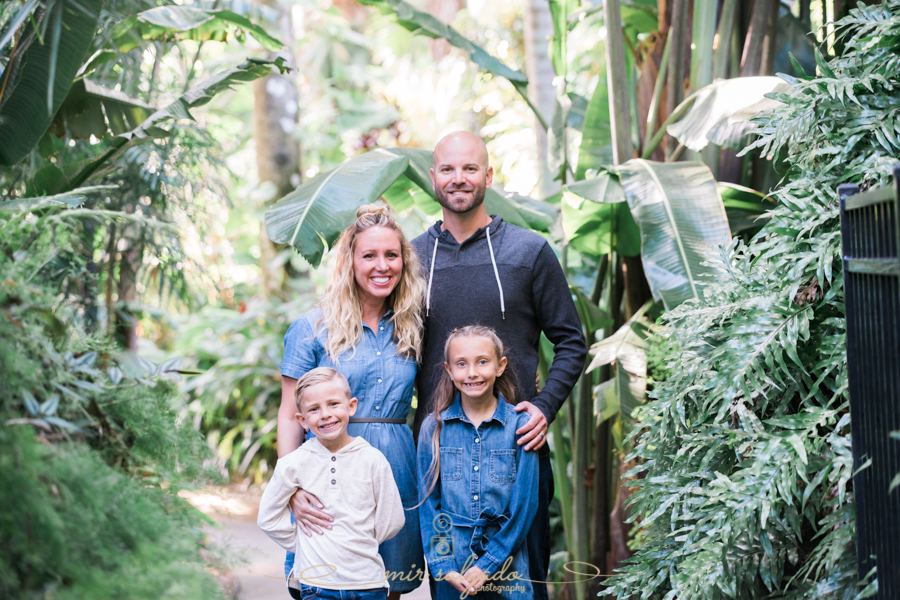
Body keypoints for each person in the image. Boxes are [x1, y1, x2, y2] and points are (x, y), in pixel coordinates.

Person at [412, 131, 587, 598]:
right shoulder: (410, 259)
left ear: (489, 176)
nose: (458, 178)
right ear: (433, 178)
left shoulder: (528, 252)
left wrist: (544, 406)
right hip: (440, 453)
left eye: (470, 168)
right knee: (450, 586)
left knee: (524, 585)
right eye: (447, 169)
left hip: (517, 448)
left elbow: (571, 341)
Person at [277, 204, 425, 598]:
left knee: (387, 585)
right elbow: (289, 412)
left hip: (394, 468)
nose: (382, 265)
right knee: (325, 584)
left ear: (403, 262)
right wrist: (290, 487)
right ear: (350, 261)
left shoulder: (412, 326)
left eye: (391, 255)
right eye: (370, 255)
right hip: (327, 473)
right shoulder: (312, 328)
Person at [259, 367, 406, 599]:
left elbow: (393, 519)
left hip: (368, 583)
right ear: (302, 420)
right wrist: (308, 544)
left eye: (334, 404)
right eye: (314, 409)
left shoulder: (373, 459)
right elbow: (268, 518)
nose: (326, 414)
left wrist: (357, 541)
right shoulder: (293, 463)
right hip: (317, 585)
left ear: (351, 406)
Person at [418, 326, 538, 600]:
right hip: (454, 567)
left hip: (508, 564)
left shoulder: (521, 427)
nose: (472, 372)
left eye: (482, 362)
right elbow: (428, 507)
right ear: (449, 370)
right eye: (462, 364)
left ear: (500, 366)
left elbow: (524, 506)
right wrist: (444, 565)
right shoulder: (433, 428)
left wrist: (489, 563)